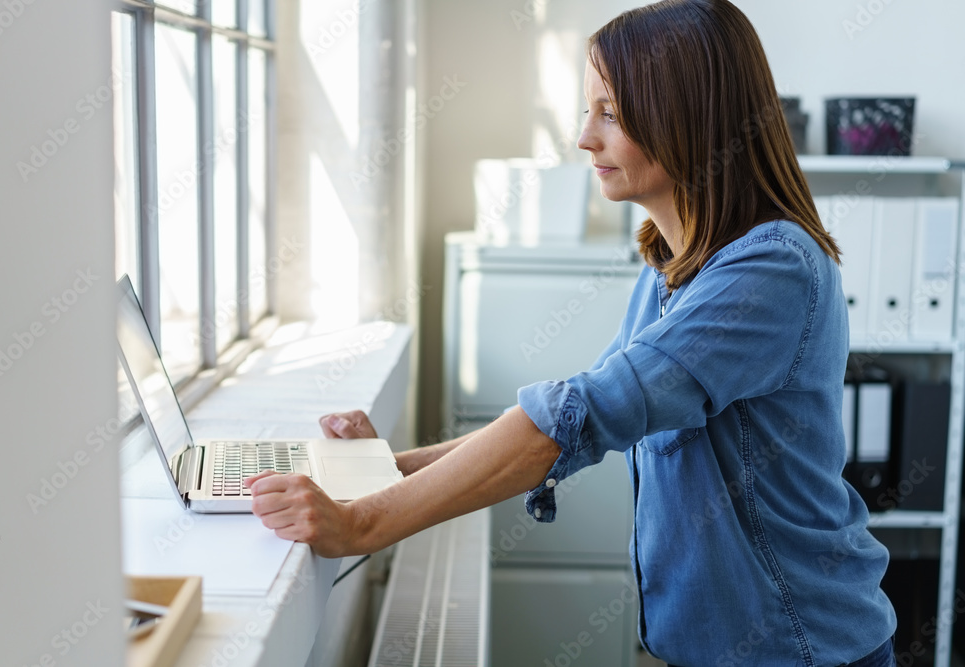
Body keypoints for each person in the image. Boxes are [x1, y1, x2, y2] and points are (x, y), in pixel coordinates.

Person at [245, 1, 897, 664]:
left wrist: (362, 522)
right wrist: (388, 468)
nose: (585, 138)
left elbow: (576, 415)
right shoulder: (672, 265)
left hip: (800, 649)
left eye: (610, 113)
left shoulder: (771, 270)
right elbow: (571, 412)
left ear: (690, 118)